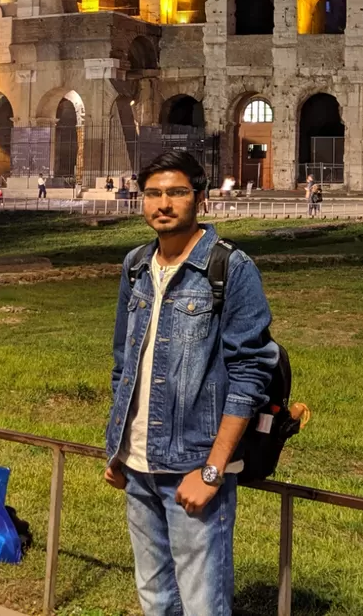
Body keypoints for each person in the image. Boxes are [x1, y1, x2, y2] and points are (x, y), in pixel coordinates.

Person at [104, 149, 278, 616]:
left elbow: (250, 375)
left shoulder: (230, 268)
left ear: (199, 197)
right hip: (137, 465)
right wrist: (116, 447)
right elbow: (124, 362)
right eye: (153, 193)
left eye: (177, 192)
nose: (164, 203)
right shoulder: (136, 265)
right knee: (155, 599)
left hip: (192, 467)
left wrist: (212, 471)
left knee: (203, 606)